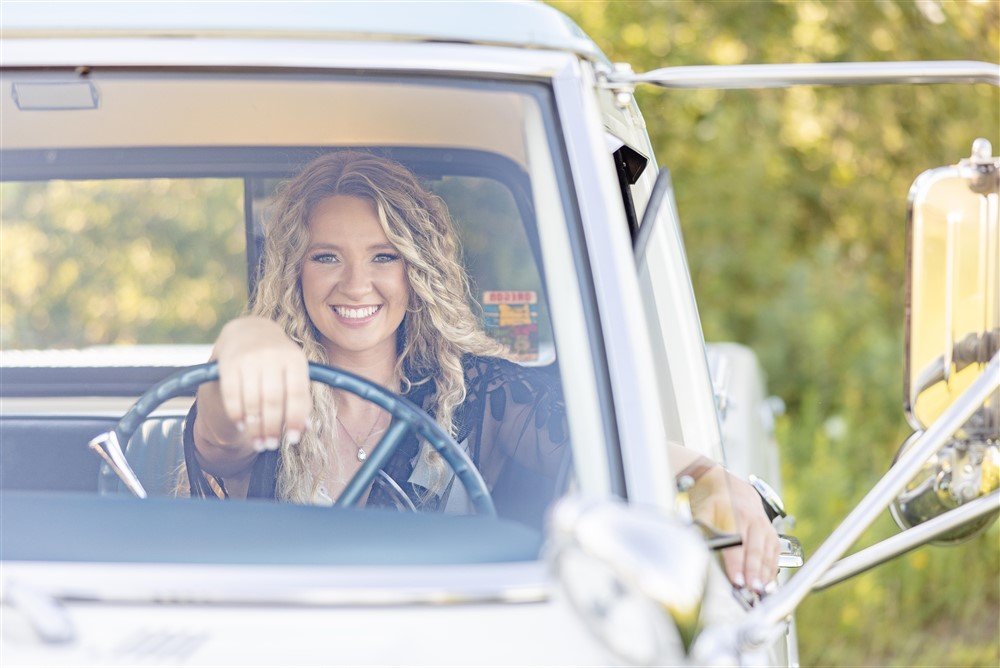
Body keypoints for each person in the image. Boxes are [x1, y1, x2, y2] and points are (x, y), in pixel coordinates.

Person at [183, 150, 779, 593]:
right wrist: (246, 338)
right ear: (295, 270)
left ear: (417, 269)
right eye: (326, 257)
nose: (356, 284)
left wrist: (711, 480)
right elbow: (218, 434)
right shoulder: (261, 391)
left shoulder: (480, 393)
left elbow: (616, 449)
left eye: (384, 256)